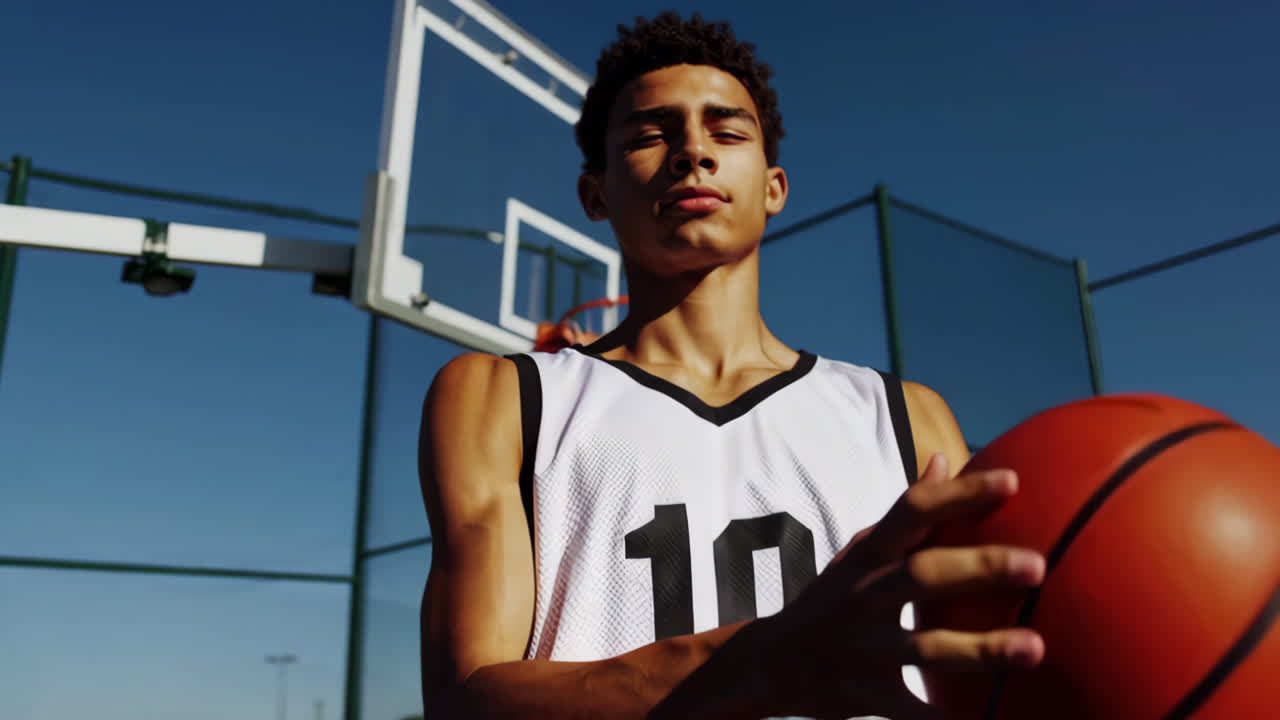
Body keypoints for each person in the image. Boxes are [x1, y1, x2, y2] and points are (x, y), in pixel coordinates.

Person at [418, 12, 1046, 719]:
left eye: (727, 132)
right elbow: (465, 700)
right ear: (594, 195)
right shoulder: (501, 397)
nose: (692, 152)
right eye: (651, 134)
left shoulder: (906, 416)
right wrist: (766, 660)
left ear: (774, 187)